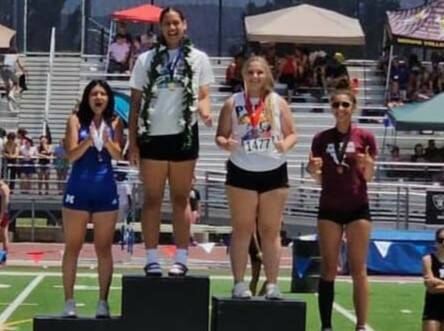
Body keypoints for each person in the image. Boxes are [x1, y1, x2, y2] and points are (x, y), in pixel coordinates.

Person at [129, 7, 214, 277]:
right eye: (167, 23)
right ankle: (151, 257)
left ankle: (181, 257)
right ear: (161, 27)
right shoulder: (146, 59)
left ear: (185, 25)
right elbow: (135, 104)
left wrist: (205, 109)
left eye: (176, 23)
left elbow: (203, 94)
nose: (172, 28)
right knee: (152, 199)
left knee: (181, 199)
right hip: (152, 136)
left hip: (184, 137)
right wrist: (133, 142)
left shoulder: (198, 58)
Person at [215, 55, 297, 299]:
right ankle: (239, 283)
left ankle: (272, 284)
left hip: (274, 170)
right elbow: (220, 135)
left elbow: (293, 134)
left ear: (267, 75)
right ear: (243, 75)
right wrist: (225, 143)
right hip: (241, 170)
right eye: (250, 72)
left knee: (270, 231)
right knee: (242, 229)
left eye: (259, 72)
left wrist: (285, 144)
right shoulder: (232, 103)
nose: (255, 76)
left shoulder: (277, 102)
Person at [306, 89, 377, 331]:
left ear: (353, 107)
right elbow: (318, 178)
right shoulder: (321, 138)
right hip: (330, 207)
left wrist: (368, 166)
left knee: (358, 268)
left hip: (358, 206)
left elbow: (368, 176)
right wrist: (312, 171)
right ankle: (326, 325)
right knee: (328, 267)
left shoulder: (365, 136)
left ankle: (361, 324)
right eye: (336, 104)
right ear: (331, 108)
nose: (340, 109)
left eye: (345, 104)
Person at [61, 80, 123, 318]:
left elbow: (119, 154)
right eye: (94, 93)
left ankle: (102, 302)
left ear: (108, 98)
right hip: (79, 186)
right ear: (88, 97)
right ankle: (69, 301)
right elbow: (71, 156)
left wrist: (106, 140)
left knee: (103, 248)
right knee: (73, 246)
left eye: (103, 93)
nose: (99, 97)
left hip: (105, 188)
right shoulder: (76, 120)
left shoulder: (115, 122)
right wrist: (89, 140)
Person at [422, 227, 444, 331]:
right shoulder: (428, 259)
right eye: (441, 240)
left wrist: (438, 281)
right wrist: (434, 284)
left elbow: (435, 285)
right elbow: (431, 289)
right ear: (436, 242)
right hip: (433, 307)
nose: (443, 243)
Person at [0, 180, 10, 258]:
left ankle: (4, 257)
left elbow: (5, 204)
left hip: (3, 213)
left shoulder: (4, 188)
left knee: (4, 235)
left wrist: (1, 216)